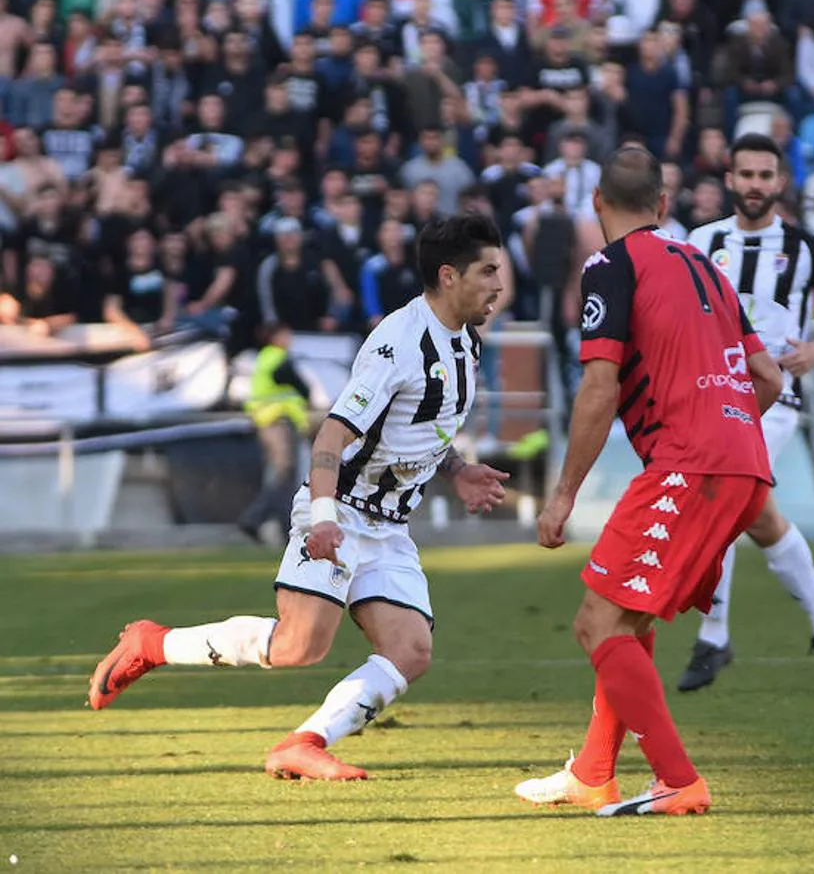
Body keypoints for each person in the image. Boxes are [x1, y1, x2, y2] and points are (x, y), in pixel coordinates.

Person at [87, 215, 512, 781]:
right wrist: (324, 516)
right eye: (487, 271)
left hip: (390, 527)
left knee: (411, 651)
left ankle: (303, 743)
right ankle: (154, 644)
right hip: (342, 512)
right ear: (449, 276)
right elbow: (332, 434)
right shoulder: (397, 342)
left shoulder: (467, 343)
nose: (498, 284)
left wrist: (456, 468)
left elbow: (420, 427)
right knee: (297, 647)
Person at [515, 147, 784, 816]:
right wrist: (727, 430)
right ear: (663, 207)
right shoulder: (705, 264)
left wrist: (564, 494)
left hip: (691, 463)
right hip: (745, 461)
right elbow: (770, 379)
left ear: (598, 204)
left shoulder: (609, 266)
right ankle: (593, 772)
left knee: (597, 621)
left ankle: (678, 780)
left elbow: (599, 388)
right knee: (628, 616)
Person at [679, 133, 814, 693]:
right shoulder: (700, 241)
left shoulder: (806, 248)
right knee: (756, 516)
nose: (756, 185)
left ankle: (714, 637)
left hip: (775, 399)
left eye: (766, 176)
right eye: (746, 175)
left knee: (721, 497)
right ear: (729, 180)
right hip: (713, 399)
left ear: (780, 183)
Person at [237, 323, 311, 543]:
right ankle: (255, 518)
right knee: (284, 476)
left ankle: (283, 528)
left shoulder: (264, 358)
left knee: (284, 478)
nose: (290, 338)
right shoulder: (278, 358)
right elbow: (301, 387)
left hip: (267, 421)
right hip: (278, 422)